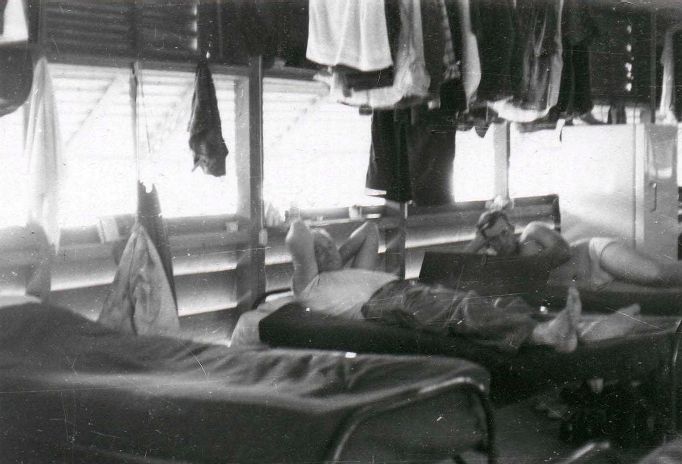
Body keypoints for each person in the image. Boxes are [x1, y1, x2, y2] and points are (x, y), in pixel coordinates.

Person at [285, 219, 583, 353]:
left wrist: (336, 256)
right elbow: (297, 231)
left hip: (405, 290)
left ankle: (560, 330)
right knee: (460, 309)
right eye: (319, 249)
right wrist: (327, 255)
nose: (327, 251)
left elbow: (369, 230)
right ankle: (542, 335)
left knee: (483, 300)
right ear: (308, 257)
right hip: (384, 304)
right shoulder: (309, 284)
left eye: (329, 245)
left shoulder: (351, 272)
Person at [466, 206, 682, 291]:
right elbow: (457, 266)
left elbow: (563, 250)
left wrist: (524, 268)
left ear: (512, 228)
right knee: (659, 294)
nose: (503, 241)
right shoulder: (501, 265)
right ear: (488, 244)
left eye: (504, 233)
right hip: (592, 284)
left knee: (657, 274)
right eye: (494, 239)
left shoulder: (531, 232)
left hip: (595, 255)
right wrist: (477, 242)